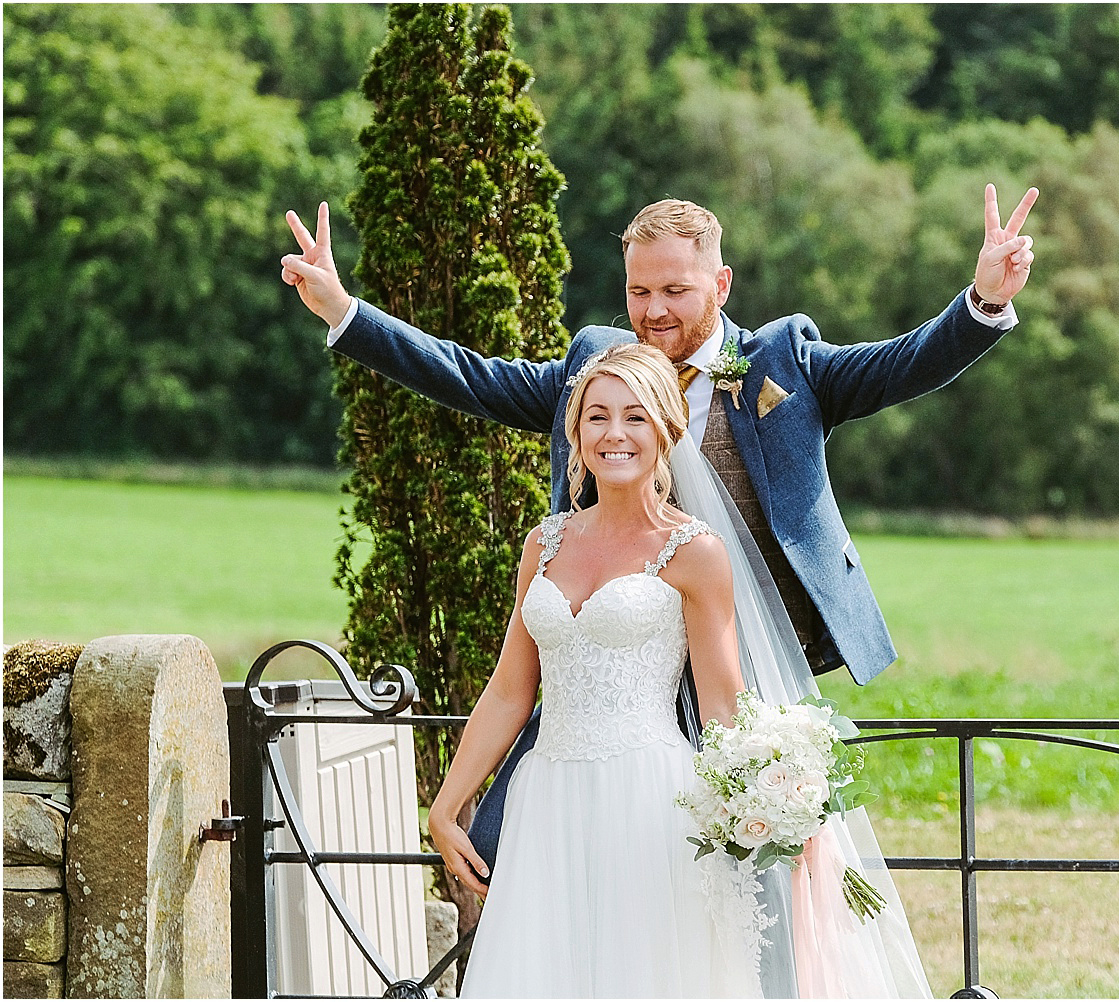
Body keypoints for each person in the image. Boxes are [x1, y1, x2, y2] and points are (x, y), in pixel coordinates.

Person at [281, 187, 1036, 862]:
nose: (654, 312)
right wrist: (345, 312)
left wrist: (983, 301)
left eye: (676, 289)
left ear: (721, 283)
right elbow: (472, 376)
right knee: (505, 843)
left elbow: (902, 363)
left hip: (752, 668)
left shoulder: (785, 360)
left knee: (759, 867)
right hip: (622, 656)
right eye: (639, 292)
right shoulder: (598, 366)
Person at [425, 343, 926, 997]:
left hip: (651, 800)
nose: (614, 433)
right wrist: (447, 802)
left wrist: (786, 797)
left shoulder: (693, 552)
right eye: (597, 416)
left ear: (665, 430)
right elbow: (508, 693)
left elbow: (724, 705)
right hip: (545, 800)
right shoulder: (543, 544)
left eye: (634, 417)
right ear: (575, 431)